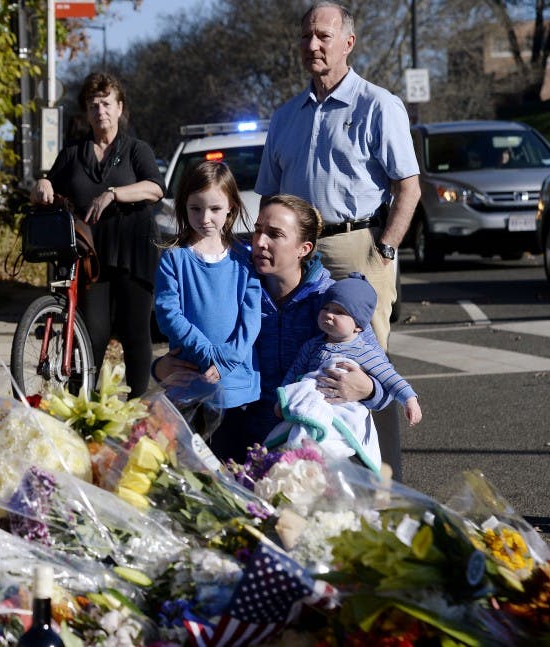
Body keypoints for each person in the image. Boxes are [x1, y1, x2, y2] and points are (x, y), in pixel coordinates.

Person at [253, 1, 421, 477]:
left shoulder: (378, 104)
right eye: (307, 36)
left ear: (348, 43)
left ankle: (383, 481)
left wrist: (384, 249)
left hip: (357, 248)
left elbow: (408, 186)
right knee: (305, 358)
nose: (313, 45)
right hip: (296, 254)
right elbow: (269, 194)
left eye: (324, 36)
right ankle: (308, 474)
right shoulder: (285, 116)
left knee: (365, 364)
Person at [153, 194, 390, 461]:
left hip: (310, 446)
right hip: (240, 436)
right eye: (257, 230)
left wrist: (369, 388)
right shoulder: (233, 285)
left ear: (304, 248)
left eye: (275, 234)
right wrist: (162, 369)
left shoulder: (331, 301)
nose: (259, 242)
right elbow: (202, 345)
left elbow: (383, 381)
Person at [31, 72, 165, 398]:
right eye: (93, 105)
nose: (100, 111)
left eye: (106, 103)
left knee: (135, 333)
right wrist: (42, 185)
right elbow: (50, 187)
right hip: (91, 255)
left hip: (134, 249)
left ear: (120, 108)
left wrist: (114, 193)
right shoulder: (73, 154)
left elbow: (155, 188)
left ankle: (138, 406)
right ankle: (84, 405)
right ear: (86, 113)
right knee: (93, 333)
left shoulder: (137, 149)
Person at [153, 161, 262, 462]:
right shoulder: (173, 259)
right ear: (183, 207)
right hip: (191, 389)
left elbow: (251, 319)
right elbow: (168, 315)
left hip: (238, 389)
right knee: (196, 472)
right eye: (195, 208)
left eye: (215, 208)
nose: (205, 218)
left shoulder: (245, 259)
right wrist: (207, 354)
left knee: (238, 471)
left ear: (231, 207)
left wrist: (227, 359)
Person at [268, 273, 422, 471]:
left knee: (331, 443)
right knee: (293, 435)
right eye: (326, 308)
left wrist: (409, 399)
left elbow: (389, 376)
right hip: (311, 403)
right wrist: (283, 399)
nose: (329, 314)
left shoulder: (364, 351)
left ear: (358, 326)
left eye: (339, 312)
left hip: (343, 411)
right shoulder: (312, 346)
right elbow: (295, 373)